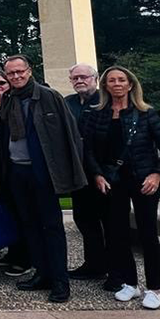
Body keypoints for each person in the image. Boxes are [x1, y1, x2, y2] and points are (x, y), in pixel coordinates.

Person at [83, 66, 160, 310]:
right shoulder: (97, 113)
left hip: (143, 179)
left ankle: (154, 288)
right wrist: (97, 174)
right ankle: (130, 283)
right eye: (111, 80)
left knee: (147, 233)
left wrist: (158, 174)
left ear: (130, 84)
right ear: (105, 86)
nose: (116, 84)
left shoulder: (146, 113)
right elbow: (89, 149)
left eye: (121, 80)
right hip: (113, 180)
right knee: (117, 233)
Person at [0, 55, 86, 303]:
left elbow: (70, 135)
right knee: (29, 225)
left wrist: (71, 172)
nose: (16, 76)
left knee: (52, 226)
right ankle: (42, 272)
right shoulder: (9, 98)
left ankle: (60, 280)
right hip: (18, 170)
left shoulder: (49, 96)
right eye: (11, 73)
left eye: (19, 72)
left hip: (44, 171)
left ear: (29, 71)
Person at [64, 62, 107, 282]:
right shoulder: (68, 102)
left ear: (95, 78)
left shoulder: (105, 101)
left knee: (108, 221)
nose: (79, 81)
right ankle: (94, 263)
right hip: (79, 171)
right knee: (84, 218)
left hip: (102, 171)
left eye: (84, 77)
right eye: (75, 78)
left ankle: (116, 270)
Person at [0, 69, 30, 278]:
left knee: (20, 210)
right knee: (5, 209)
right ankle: (12, 251)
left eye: (2, 83)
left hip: (12, 162)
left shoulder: (14, 104)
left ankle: (23, 257)